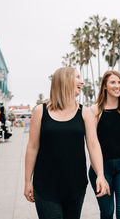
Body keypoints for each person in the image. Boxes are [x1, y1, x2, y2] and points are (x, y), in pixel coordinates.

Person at [24, 67, 110, 219]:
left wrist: (101, 175)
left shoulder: (84, 112)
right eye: (77, 77)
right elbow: (32, 147)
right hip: (45, 185)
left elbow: (93, 145)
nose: (82, 81)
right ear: (64, 80)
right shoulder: (40, 111)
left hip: (75, 185)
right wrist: (27, 181)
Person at [89, 70, 120, 219]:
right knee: (107, 213)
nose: (117, 86)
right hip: (102, 169)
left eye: (119, 82)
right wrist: (100, 174)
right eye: (112, 82)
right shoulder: (95, 110)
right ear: (104, 86)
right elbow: (92, 144)